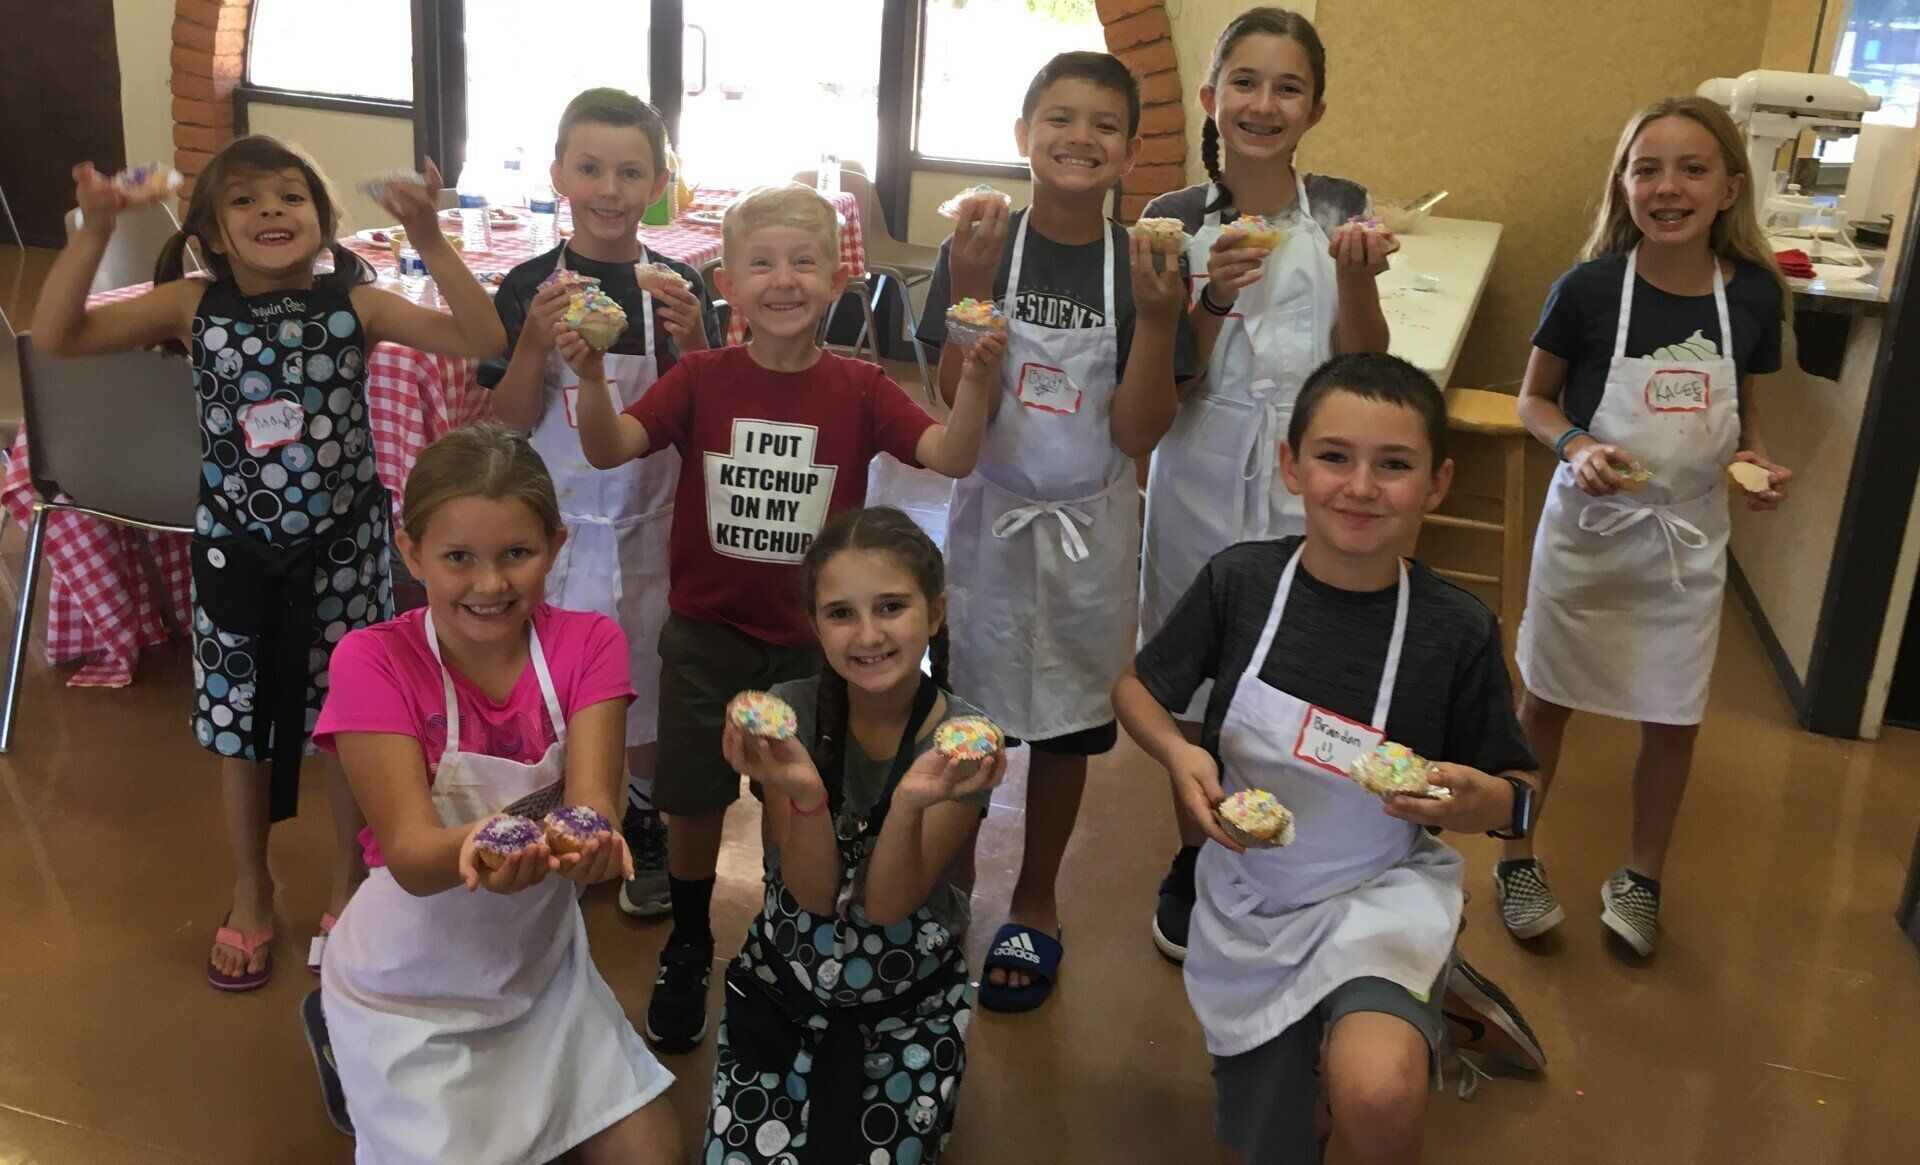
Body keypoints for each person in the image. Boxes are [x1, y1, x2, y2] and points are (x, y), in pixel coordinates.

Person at [29, 136, 505, 991]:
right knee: (239, 729)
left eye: (291, 197)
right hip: (238, 559)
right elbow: (59, 336)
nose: (271, 212)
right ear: (209, 231)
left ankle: (348, 878)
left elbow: (480, 332)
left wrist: (429, 237)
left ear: (323, 222)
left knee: (356, 725)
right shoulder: (192, 304)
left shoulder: (354, 302)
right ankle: (252, 886)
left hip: (344, 556)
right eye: (246, 201)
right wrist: (96, 228)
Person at [568, 182, 1000, 1052]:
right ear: (726, 281)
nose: (783, 280)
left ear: (837, 279)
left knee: (798, 796)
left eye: (804, 261)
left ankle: (781, 936)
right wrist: (585, 376)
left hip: (816, 648)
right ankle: (691, 938)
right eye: (761, 263)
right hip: (704, 632)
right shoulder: (700, 377)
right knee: (690, 799)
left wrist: (980, 383)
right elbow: (608, 445)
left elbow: (950, 454)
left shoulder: (861, 386)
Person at [1114, 353, 1545, 1163]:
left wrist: (1473, 798)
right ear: (1290, 464)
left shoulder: (1454, 630)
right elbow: (1136, 687)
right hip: (1254, 896)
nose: (1360, 486)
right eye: (1334, 457)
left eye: (1394, 466)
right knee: (1273, 1143)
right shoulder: (1240, 583)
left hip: (1379, 892)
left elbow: (1519, 796)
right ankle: (1392, 1016)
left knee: (1377, 1095)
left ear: (1438, 483)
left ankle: (1404, 995)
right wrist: (1177, 753)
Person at [311, 424, 679, 1163]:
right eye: (457, 558)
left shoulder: (589, 643)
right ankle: (337, 1030)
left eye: (518, 553)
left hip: (541, 976)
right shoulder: (373, 660)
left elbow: (595, 809)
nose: (489, 584)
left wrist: (594, 850)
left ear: (557, 543)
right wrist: (497, 845)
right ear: (410, 551)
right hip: (406, 989)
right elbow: (415, 858)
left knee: (655, 1152)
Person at [916, 51, 1190, 1011]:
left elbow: (1140, 432)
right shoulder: (980, 245)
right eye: (1059, 118)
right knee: (969, 714)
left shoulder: (1149, 263)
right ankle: (949, 886)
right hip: (991, 522)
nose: (1080, 137)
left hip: (1092, 527)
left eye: (1104, 125)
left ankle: (1035, 899)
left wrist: (1158, 321)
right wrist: (972, 295)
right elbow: (957, 410)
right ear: (1022, 134)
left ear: (1131, 152)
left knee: (1072, 725)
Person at [1136, 5, 1396, 966]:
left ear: (1315, 108)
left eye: (1288, 87)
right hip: (1200, 467)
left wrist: (1358, 277)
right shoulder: (1171, 219)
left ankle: (1293, 854)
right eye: (1244, 82)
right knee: (1200, 676)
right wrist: (1213, 299)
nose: (1263, 103)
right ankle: (1196, 856)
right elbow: (1163, 384)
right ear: (1210, 98)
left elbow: (1362, 365)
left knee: (1295, 668)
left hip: (1309, 475)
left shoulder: (1341, 205)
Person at [1506, 96, 1792, 955]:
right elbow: (1533, 399)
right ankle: (1517, 854)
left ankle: (1641, 877)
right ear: (1623, 185)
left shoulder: (1751, 297)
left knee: (1674, 718)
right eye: (1647, 169)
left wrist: (1761, 467)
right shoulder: (1588, 290)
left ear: (1731, 187)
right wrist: (1575, 443)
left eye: (1692, 169)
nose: (1668, 187)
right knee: (1545, 700)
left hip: (1687, 543)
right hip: (1590, 533)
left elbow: (1750, 422)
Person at [482, 87, 721, 919]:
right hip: (552, 529)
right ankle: (558, 816)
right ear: (559, 175)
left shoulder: (676, 283)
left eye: (629, 171)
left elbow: (704, 418)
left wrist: (694, 343)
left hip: (650, 526)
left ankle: (645, 822)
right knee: (551, 681)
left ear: (658, 180)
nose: (609, 189)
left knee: (647, 681)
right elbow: (509, 423)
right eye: (590, 168)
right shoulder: (525, 285)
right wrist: (531, 343)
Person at [710, 506, 1001, 1163]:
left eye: (892, 606)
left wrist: (910, 802)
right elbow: (812, 894)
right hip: (785, 983)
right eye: (841, 613)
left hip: (908, 998)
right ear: (814, 624)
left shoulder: (963, 743)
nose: (868, 634)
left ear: (935, 612)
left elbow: (889, 904)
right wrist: (805, 794)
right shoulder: (792, 713)